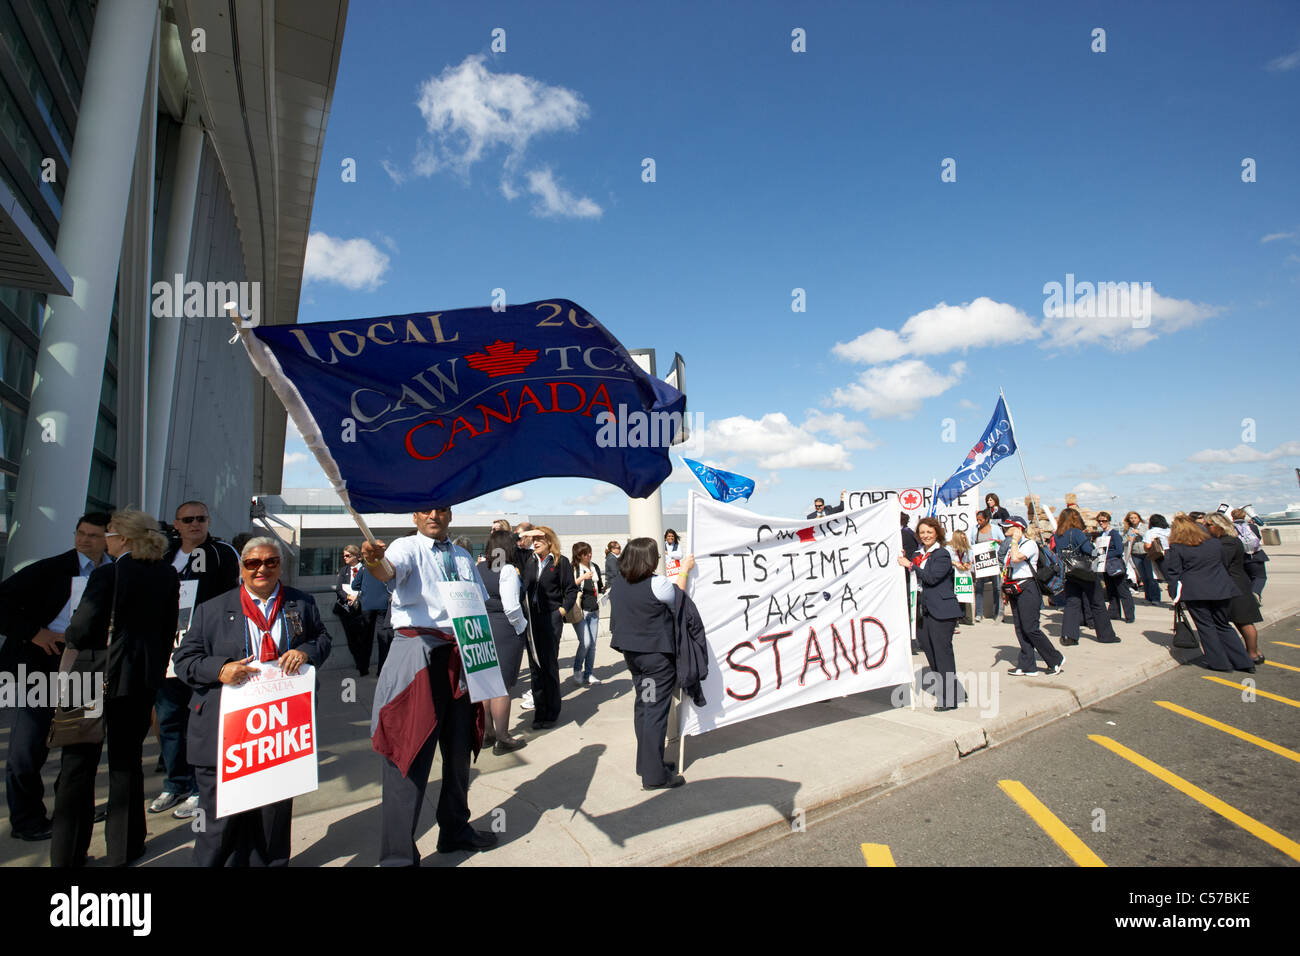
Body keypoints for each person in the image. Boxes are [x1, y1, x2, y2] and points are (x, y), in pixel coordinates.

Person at [173, 535, 329, 866]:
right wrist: (220, 670)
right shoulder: (212, 609)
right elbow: (184, 661)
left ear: (280, 566)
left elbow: (321, 639)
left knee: (272, 820)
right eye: (253, 563)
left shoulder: (301, 603)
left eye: (270, 562)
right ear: (242, 567)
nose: (262, 569)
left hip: (278, 732)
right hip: (225, 735)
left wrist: (305, 652)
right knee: (219, 823)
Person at [362, 508, 496, 864]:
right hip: (418, 654)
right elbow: (387, 571)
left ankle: (455, 830)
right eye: (425, 509)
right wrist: (374, 562)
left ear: (450, 514)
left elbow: (477, 603)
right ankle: (398, 857)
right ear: (415, 515)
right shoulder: (406, 547)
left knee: (458, 751)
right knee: (407, 753)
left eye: (441, 508)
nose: (433, 515)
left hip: (462, 653)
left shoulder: (464, 556)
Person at [50, 510, 179, 867]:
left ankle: (67, 854)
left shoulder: (108, 574)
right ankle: (124, 849)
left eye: (108, 533)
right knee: (126, 764)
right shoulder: (168, 575)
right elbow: (169, 629)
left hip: (89, 675)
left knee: (77, 766)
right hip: (138, 679)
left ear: (123, 538)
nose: (105, 539)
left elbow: (78, 631)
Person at [0, 512, 112, 842]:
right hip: (39, 663)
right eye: (81, 533)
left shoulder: (114, 571)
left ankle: (75, 811)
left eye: (93, 535)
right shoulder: (50, 568)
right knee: (27, 747)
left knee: (80, 747)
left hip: (86, 665)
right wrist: (35, 633)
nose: (84, 540)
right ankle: (27, 820)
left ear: (108, 537)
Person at [152, 500, 240, 820]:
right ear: (176, 524)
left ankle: (198, 789)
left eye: (201, 519)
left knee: (199, 722)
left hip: (202, 651)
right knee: (169, 719)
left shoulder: (222, 552)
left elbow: (230, 598)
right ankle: (176, 782)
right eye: (187, 520)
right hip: (166, 647)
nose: (194, 524)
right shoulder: (164, 554)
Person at [611, 538, 694, 789]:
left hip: (634, 657)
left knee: (644, 708)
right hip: (656, 659)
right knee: (655, 712)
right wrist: (684, 571)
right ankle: (654, 776)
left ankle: (647, 763)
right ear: (648, 560)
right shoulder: (657, 584)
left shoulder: (617, 584)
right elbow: (678, 599)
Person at [1162, 516, 1254, 673]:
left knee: (1206, 627)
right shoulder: (1214, 543)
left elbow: (1174, 572)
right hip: (1221, 588)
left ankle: (1220, 663)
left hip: (1195, 591)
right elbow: (1224, 563)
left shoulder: (1177, 547)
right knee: (1223, 625)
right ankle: (1243, 661)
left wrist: (1174, 593)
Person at [897, 518, 964, 710]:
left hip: (941, 612)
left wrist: (910, 565)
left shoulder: (941, 554)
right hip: (922, 611)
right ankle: (952, 691)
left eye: (929, 532)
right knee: (930, 652)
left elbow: (932, 577)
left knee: (942, 654)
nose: (926, 535)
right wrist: (907, 559)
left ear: (937, 533)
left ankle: (950, 698)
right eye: (922, 532)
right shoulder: (920, 554)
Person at [520, 525, 576, 729]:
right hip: (531, 619)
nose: (534, 543)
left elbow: (570, 590)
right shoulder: (529, 561)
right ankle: (539, 712)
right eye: (532, 539)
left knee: (549, 665)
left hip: (550, 617)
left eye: (539, 539)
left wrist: (560, 612)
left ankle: (552, 712)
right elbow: (512, 549)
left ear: (550, 541)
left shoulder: (561, 562)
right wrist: (526, 534)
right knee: (535, 666)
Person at [479, 530, 528, 755]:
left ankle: (487, 732)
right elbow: (511, 606)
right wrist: (521, 626)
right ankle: (503, 737)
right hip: (504, 628)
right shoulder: (507, 569)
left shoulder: (479, 567)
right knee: (501, 686)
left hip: (482, 626)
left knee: (486, 683)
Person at [1000, 517, 1065, 677]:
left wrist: (1015, 540)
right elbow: (1008, 567)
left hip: (1028, 588)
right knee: (1020, 628)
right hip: (1014, 587)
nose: (1004, 530)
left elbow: (1016, 558)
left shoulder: (1029, 544)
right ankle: (1027, 665)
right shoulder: (1011, 546)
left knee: (1031, 628)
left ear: (1018, 528)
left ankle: (1055, 658)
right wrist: (1004, 591)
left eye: (1008, 527)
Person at [1204, 514, 1264, 665]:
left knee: (1243, 620)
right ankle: (1254, 652)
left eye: (1208, 525)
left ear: (1218, 526)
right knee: (1241, 620)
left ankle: (1252, 653)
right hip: (1236, 582)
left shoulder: (1228, 543)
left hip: (1235, 584)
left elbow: (1222, 563)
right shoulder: (1228, 541)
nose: (1206, 528)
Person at [1054, 508, 1119, 646]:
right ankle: (1106, 635)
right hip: (1085, 571)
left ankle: (1069, 636)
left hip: (1069, 571)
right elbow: (1089, 550)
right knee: (1097, 603)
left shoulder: (1057, 535)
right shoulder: (1076, 533)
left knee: (1072, 603)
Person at [570, 541, 603, 686]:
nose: (589, 555)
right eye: (585, 553)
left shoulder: (595, 566)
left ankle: (588, 673)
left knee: (593, 644)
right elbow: (568, 586)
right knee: (586, 642)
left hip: (594, 609)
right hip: (579, 610)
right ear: (579, 555)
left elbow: (600, 586)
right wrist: (583, 578)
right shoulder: (575, 568)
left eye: (589, 552)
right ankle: (577, 670)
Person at [334, 544, 370, 675]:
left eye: (348, 555)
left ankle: (363, 665)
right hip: (346, 609)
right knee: (352, 639)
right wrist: (348, 596)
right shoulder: (344, 570)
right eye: (343, 556)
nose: (345, 558)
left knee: (364, 638)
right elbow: (338, 589)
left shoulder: (366, 569)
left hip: (362, 609)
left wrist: (358, 597)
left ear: (357, 557)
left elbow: (369, 588)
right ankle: (358, 662)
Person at [1096, 512, 1135, 623]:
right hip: (1104, 565)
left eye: (1103, 521)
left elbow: (1119, 550)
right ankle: (1114, 613)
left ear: (1108, 521)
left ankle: (1129, 615)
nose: (1101, 523)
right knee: (1111, 590)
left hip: (1114, 564)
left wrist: (1105, 556)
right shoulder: (1101, 535)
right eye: (1099, 521)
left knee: (1122, 590)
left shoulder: (1114, 534)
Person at [971, 509, 1003, 624]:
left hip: (993, 562)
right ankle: (979, 613)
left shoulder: (995, 529)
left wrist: (998, 542)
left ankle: (997, 612)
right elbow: (972, 545)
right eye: (977, 520)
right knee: (979, 588)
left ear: (987, 519)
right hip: (980, 562)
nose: (978, 522)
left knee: (997, 587)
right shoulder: (975, 529)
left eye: (981, 520)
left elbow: (1003, 541)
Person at [1231, 508, 1268, 604]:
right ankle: (1255, 592)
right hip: (1256, 556)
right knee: (1260, 577)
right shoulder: (1252, 527)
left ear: (1232, 516)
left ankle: (1247, 599)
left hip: (1240, 557)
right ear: (1244, 516)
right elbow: (1258, 538)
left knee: (1245, 578)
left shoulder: (1230, 528)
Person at [1123, 511, 1160, 605]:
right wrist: (1128, 538)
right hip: (1135, 553)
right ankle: (1148, 597)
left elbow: (1149, 536)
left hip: (1146, 553)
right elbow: (1123, 540)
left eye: (1135, 517)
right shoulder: (1128, 529)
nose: (1133, 519)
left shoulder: (1145, 526)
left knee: (1150, 576)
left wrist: (1138, 532)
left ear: (1138, 518)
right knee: (1143, 576)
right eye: (1131, 518)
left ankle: (1155, 598)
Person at [1143, 513, 1171, 600]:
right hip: (1172, 552)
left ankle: (1178, 600)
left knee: (1169, 578)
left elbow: (1147, 546)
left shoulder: (1150, 532)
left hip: (1160, 555)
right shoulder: (1169, 530)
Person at [604, 540, 623, 639]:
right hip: (614, 586)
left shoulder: (614, 558)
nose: (620, 549)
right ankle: (614, 628)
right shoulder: (611, 558)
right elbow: (616, 573)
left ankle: (615, 627)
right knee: (616, 608)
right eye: (618, 548)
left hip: (615, 585)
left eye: (620, 547)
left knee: (617, 607)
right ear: (612, 549)